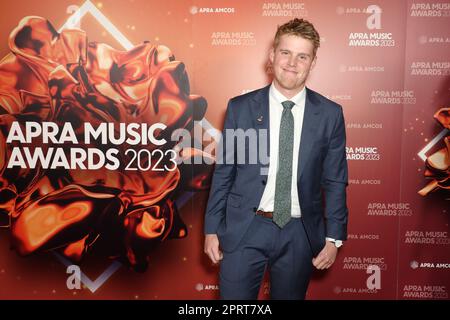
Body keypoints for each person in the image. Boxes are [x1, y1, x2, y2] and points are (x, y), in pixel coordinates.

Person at [204, 18, 348, 300]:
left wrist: (334, 239)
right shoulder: (241, 108)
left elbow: (335, 180)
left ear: (313, 63)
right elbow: (224, 172)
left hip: (299, 233)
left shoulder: (330, 114)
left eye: (302, 56)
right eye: (286, 52)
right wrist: (211, 229)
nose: (292, 63)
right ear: (272, 56)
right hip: (245, 229)